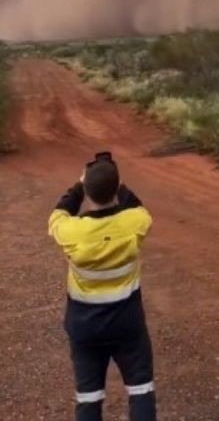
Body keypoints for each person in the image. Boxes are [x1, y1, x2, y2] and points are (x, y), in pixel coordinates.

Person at [49, 153, 156, 421]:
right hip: (127, 323)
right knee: (141, 389)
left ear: (87, 192)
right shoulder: (133, 223)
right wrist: (117, 182)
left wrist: (80, 184)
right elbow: (138, 208)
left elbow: (59, 213)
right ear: (116, 188)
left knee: (89, 396)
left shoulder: (72, 232)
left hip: (84, 327)